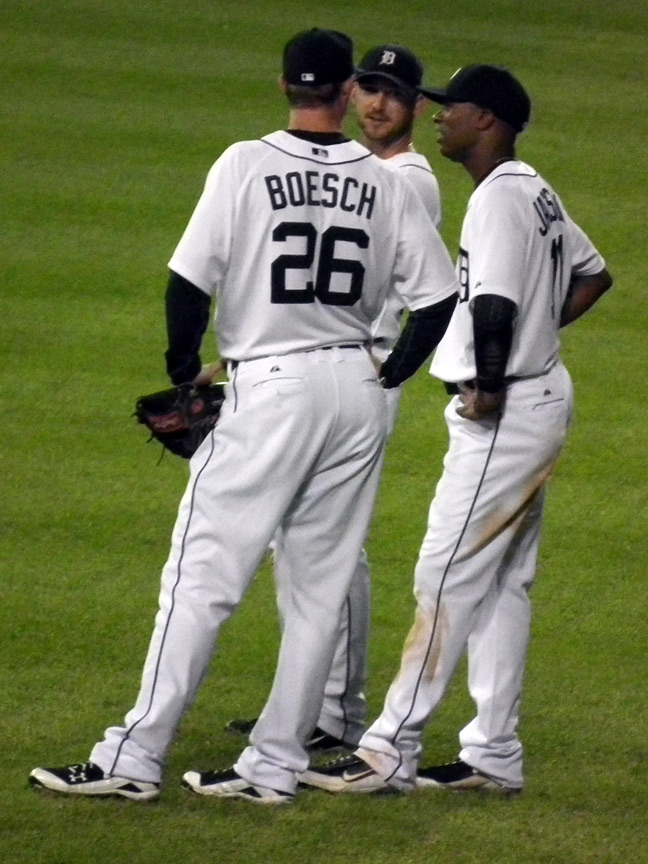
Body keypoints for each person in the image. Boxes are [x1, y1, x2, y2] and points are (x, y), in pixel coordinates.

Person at [29, 29, 459, 805]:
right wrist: (390, 371)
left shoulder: (245, 162)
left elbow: (187, 285)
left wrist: (180, 370)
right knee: (318, 590)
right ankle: (273, 766)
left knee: (200, 578)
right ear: (345, 92)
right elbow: (436, 299)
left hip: (272, 389)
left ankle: (132, 757)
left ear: (286, 86)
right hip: (356, 395)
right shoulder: (389, 182)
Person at [301, 63, 613, 796]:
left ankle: (386, 750)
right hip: (543, 399)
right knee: (504, 582)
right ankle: (493, 754)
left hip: (505, 415)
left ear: (491, 121)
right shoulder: (535, 188)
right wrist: (538, 339)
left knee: (443, 576)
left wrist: (492, 384)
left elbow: (497, 308)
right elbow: (596, 275)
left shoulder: (498, 202)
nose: (438, 116)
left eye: (454, 107)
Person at [226, 43, 445, 755]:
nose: (378, 104)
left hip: (360, 373)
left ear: (415, 105)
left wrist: (391, 372)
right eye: (369, 90)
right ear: (351, 93)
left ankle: (332, 712)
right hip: (335, 371)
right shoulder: (367, 174)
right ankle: (315, 708)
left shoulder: (405, 180)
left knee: (329, 554)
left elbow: (428, 299)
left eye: (393, 93)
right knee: (309, 549)